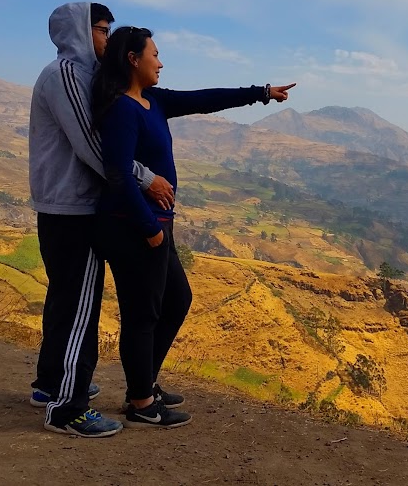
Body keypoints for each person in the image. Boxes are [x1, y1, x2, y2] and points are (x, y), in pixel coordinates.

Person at [91, 26, 294, 428]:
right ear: (133, 59)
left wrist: (261, 92)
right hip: (132, 227)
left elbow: (204, 100)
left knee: (177, 299)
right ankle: (141, 403)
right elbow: (116, 172)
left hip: (155, 227)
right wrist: (149, 227)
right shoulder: (121, 109)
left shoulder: (151, 100)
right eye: (155, 54)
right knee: (142, 314)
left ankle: (145, 383)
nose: (161, 62)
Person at [27, 2, 175, 437]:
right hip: (73, 208)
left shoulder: (73, 74)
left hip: (63, 207)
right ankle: (68, 409)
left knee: (63, 303)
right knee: (80, 310)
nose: (108, 39)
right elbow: (95, 149)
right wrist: (146, 179)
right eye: (102, 30)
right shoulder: (68, 75)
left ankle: (50, 384)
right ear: (79, 30)